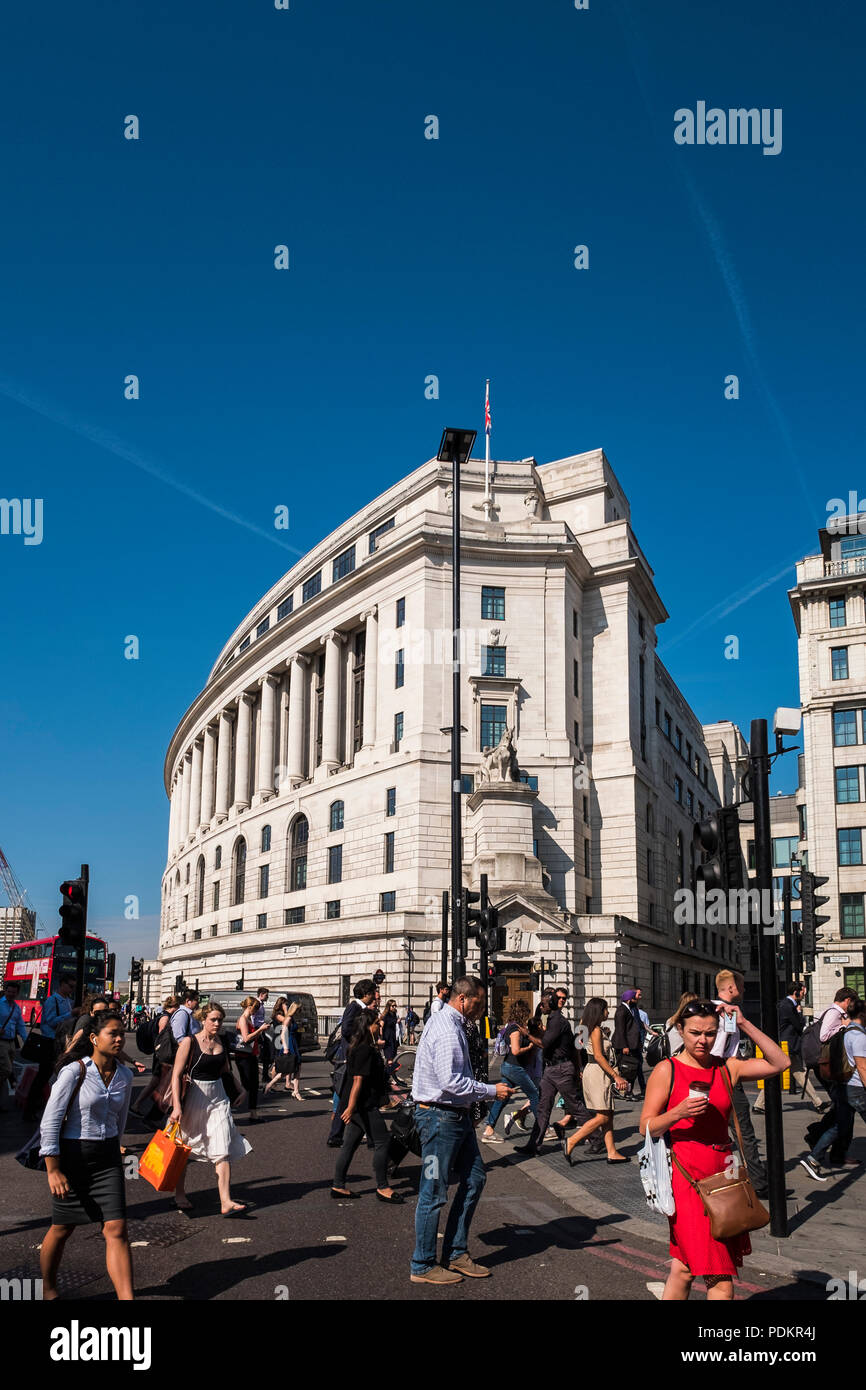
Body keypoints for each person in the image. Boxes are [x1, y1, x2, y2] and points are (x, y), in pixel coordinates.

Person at [640, 998, 787, 1301]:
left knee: (683, 1268)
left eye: (710, 1033)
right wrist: (676, 1114)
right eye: (695, 1032)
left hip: (724, 1174)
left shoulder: (726, 1068)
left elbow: (780, 1063)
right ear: (679, 1030)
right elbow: (646, 1127)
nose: (703, 1041)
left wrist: (743, 1023)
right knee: (720, 1277)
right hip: (687, 1175)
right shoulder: (667, 1070)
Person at [410, 976, 512, 1284]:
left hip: (456, 1118)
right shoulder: (446, 1028)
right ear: (463, 999)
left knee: (475, 1178)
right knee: (433, 1191)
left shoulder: (453, 1024)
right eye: (479, 1002)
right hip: (439, 1120)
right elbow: (450, 1082)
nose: (482, 1009)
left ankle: (455, 1252)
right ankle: (423, 1264)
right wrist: (492, 1091)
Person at [38, 1011, 134, 1300]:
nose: (119, 1039)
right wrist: (53, 1169)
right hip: (73, 1155)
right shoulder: (74, 1071)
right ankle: (49, 1288)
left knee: (116, 1228)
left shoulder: (125, 1075)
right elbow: (51, 1121)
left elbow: (121, 1119)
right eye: (112, 1033)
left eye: (121, 1034)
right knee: (62, 1227)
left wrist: (116, 1152)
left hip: (107, 1158)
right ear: (94, 1038)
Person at [171, 1001, 251, 1215]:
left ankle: (225, 1200)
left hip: (219, 1098)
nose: (217, 1023)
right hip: (194, 1098)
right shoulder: (190, 1042)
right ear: (203, 1020)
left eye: (220, 1020)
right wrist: (176, 1106)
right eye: (213, 1019)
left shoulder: (222, 1041)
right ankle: (179, 1193)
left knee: (222, 1147)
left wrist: (240, 1088)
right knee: (185, 1149)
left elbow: (225, 1069)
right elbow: (176, 1075)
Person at [332, 1009, 403, 1202]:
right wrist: (351, 1107)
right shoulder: (364, 1049)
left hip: (356, 1104)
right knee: (382, 1142)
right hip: (363, 1104)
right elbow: (357, 1080)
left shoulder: (360, 1046)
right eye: (376, 1024)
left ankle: (338, 1184)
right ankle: (382, 1186)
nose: (379, 1027)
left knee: (350, 1144)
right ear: (368, 1027)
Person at [711, 970, 768, 1198]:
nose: (744, 991)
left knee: (733, 1130)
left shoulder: (728, 1012)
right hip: (725, 1075)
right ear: (732, 988)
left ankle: (746, 1176)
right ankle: (758, 1182)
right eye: (742, 987)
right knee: (743, 1130)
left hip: (726, 1072)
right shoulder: (718, 1012)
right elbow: (718, 1049)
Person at [800, 997, 866, 1180]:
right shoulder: (859, 1036)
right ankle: (814, 1156)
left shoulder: (847, 1032)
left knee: (839, 1125)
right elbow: (862, 1066)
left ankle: (814, 1158)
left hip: (844, 1085)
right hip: (856, 1087)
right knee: (840, 1125)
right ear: (862, 1014)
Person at [516, 990, 587, 1156]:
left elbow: (545, 1043)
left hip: (561, 1069)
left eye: (544, 1003)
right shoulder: (550, 1019)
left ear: (552, 1004)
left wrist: (527, 1035)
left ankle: (600, 1138)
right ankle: (533, 1145)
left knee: (574, 1106)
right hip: (551, 1069)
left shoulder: (557, 1021)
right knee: (543, 1107)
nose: (541, 1006)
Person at [563, 998, 629, 1162]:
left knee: (608, 1114)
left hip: (592, 1071)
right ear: (599, 1011)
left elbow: (578, 1048)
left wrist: (580, 1068)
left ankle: (611, 1152)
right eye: (606, 1009)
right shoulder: (596, 1030)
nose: (608, 1012)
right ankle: (572, 1141)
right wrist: (616, 1076)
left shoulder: (587, 1027)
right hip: (598, 1072)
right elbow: (599, 1056)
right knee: (603, 1116)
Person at [753, 982, 824, 1114]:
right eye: (803, 992)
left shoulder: (788, 1004)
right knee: (779, 1074)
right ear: (796, 992)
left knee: (799, 1073)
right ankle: (759, 1104)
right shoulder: (787, 1006)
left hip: (789, 1045)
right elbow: (798, 1025)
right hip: (786, 1046)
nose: (804, 995)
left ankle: (818, 1103)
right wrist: (800, 1014)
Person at [481, 1000, 542, 1142]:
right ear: (522, 1013)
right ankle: (543, 1128)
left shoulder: (513, 1027)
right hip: (514, 1068)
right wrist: (529, 1047)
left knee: (502, 1099)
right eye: (526, 1012)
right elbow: (515, 1050)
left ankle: (489, 1129)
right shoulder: (515, 1029)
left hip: (508, 1067)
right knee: (534, 1094)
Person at [326, 979, 377, 1146]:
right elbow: (347, 1029)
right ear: (367, 994)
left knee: (350, 1096)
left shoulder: (360, 1008)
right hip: (352, 1057)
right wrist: (362, 1037)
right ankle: (368, 1136)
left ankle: (338, 1135)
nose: (375, 996)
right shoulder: (354, 1008)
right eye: (373, 993)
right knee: (357, 1095)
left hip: (355, 1056)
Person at [24, 974, 76, 1121]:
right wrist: (70, 1014)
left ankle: (40, 1105)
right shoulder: (52, 1001)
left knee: (54, 1076)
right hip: (49, 1042)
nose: (72, 990)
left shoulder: (67, 1001)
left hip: (61, 1042)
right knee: (43, 1077)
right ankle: (30, 1109)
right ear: (62, 985)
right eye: (70, 986)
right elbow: (50, 1021)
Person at [132, 996, 180, 1115]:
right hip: (161, 1055)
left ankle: (142, 1104)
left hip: (159, 1054)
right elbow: (162, 1038)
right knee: (156, 1081)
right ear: (174, 1006)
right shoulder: (165, 1018)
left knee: (157, 1081)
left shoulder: (163, 1015)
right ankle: (138, 1105)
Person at [233, 997, 269, 1121]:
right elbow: (246, 1038)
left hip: (250, 1055)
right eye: (256, 1008)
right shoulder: (243, 1020)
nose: (257, 1011)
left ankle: (253, 1114)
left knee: (253, 1086)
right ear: (249, 1007)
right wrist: (260, 1030)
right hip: (244, 1057)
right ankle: (230, 1105)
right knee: (247, 1086)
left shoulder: (248, 1019)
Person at [265, 999, 303, 1100]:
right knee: (287, 1069)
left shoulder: (291, 1018)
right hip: (289, 1043)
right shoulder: (288, 1018)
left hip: (293, 1042)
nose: (300, 1011)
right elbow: (283, 1034)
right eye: (299, 1009)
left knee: (296, 1068)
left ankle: (296, 1091)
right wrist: (286, 1048)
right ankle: (270, 1085)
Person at [612, 988, 644, 1100]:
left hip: (633, 1045)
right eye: (634, 997)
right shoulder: (622, 1011)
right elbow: (620, 1030)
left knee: (632, 1069)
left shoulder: (631, 1009)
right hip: (626, 1046)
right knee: (627, 1070)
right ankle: (626, 1092)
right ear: (630, 999)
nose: (637, 999)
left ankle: (627, 1092)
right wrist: (624, 1046)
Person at [0, 982, 26, 1110]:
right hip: (1, 1042)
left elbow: (20, 1025)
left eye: (13, 992)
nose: (11, 994)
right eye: (9, 991)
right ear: (5, 991)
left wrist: (26, 1040)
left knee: (4, 1071)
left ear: (17, 993)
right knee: (7, 1070)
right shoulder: (0, 1004)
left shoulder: (16, 1008)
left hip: (12, 1042)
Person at [252, 987, 272, 1084]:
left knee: (266, 1053)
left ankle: (264, 1075)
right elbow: (253, 1017)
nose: (267, 997)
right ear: (261, 994)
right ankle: (260, 1076)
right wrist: (255, 1030)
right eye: (266, 995)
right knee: (259, 1053)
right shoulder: (257, 1004)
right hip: (257, 1030)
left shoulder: (261, 1004)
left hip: (260, 1030)